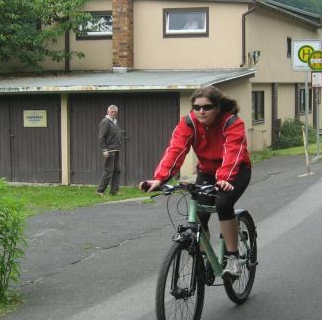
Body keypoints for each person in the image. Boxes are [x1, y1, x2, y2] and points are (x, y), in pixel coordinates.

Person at [140, 86, 252, 279]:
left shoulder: (232, 122)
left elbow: (233, 152)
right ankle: (204, 257)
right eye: (196, 107)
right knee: (199, 214)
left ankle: (233, 257)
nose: (201, 111)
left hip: (236, 171)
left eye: (207, 107)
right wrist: (159, 178)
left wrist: (224, 179)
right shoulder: (189, 123)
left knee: (223, 203)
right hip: (207, 171)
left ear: (217, 107)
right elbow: (176, 150)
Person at [97, 104, 123, 195]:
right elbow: (101, 137)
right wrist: (104, 150)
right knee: (109, 170)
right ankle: (100, 191)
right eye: (112, 112)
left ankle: (114, 191)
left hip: (116, 150)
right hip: (109, 150)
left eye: (115, 112)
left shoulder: (114, 121)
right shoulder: (105, 121)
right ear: (108, 112)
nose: (114, 113)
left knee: (117, 170)